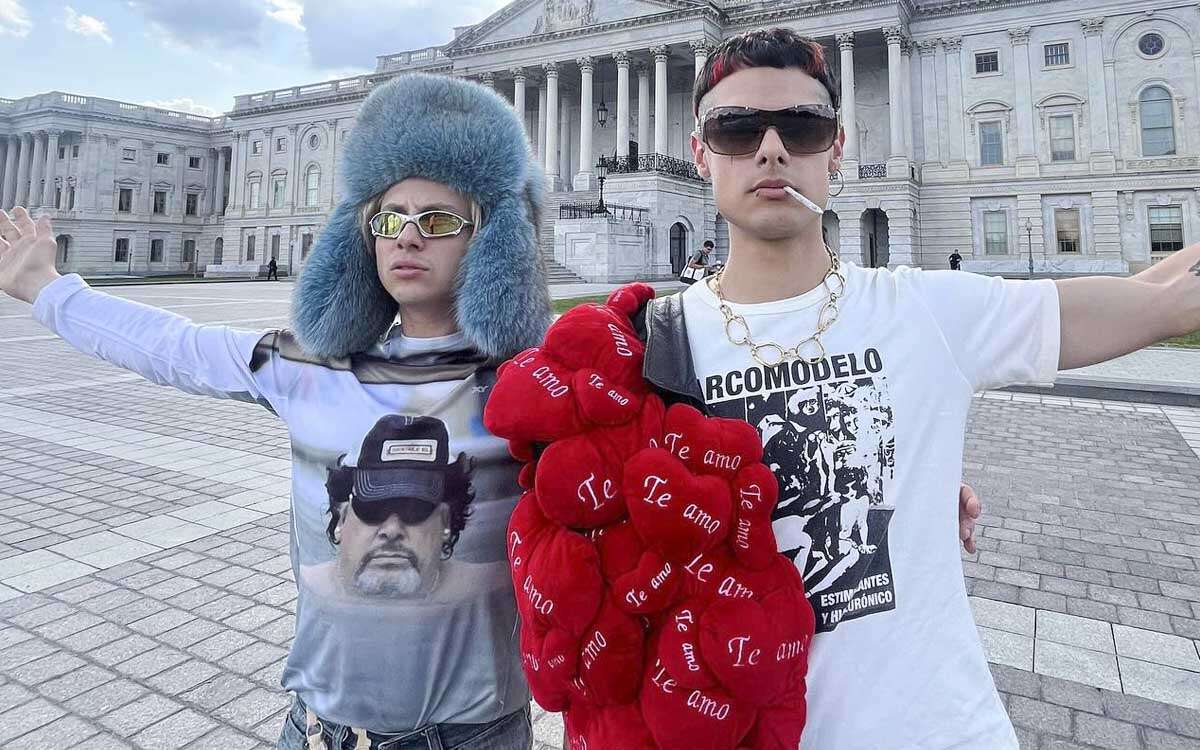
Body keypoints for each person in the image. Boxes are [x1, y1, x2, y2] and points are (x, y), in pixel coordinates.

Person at [633, 27, 1200, 750]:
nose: (771, 150)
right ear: (700, 153)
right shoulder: (650, 343)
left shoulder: (925, 308)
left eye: (802, 128)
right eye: (737, 130)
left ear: (837, 148)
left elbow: (1153, 299)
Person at [0, 73, 551, 750]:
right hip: (322, 730)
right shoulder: (307, 367)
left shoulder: (532, 389)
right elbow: (175, 347)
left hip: (468, 734)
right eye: (389, 220)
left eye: (436, 221)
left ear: (490, 242)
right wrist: (49, 290)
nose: (408, 238)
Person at [309, 414, 508, 603]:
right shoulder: (311, 585)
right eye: (373, 508)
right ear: (341, 517)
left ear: (446, 521)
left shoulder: (490, 588)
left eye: (414, 508)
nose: (392, 530)